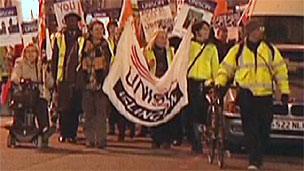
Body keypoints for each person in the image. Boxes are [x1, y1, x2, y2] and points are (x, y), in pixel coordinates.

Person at [215, 19, 290, 170]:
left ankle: (258, 156)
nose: (260, 32)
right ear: (249, 32)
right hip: (246, 94)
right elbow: (226, 68)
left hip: (265, 96)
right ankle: (253, 160)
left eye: (261, 29)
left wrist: (284, 91)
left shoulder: (270, 50)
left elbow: (280, 71)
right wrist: (219, 82)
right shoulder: (238, 50)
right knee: (250, 128)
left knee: (264, 128)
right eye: (256, 29)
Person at [186, 20, 219, 154]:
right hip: (191, 82)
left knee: (202, 112)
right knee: (191, 113)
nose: (207, 32)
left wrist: (215, 82)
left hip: (205, 83)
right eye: (204, 29)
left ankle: (203, 134)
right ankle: (195, 140)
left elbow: (215, 67)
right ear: (197, 31)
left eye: (208, 29)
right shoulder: (189, 46)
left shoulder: (211, 48)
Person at [78, 20, 111, 149]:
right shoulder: (84, 45)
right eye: (96, 29)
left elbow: (108, 63)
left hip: (100, 83)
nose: (99, 32)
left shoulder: (105, 46)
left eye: (101, 30)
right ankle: (90, 139)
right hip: (87, 83)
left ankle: (101, 140)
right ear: (91, 31)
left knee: (101, 113)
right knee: (89, 113)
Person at [51, 12, 83, 143]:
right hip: (62, 78)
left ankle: (72, 134)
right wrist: (54, 77)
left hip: (77, 77)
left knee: (75, 108)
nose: (72, 23)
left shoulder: (82, 38)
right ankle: (64, 133)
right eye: (69, 20)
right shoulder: (59, 38)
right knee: (63, 108)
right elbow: (55, 59)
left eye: (74, 20)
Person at [10, 43, 54, 136]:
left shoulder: (40, 65)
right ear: (24, 53)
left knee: (42, 104)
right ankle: (19, 129)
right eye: (28, 52)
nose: (30, 54)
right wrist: (20, 80)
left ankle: (45, 128)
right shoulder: (19, 62)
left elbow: (49, 83)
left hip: (36, 95)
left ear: (37, 53)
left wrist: (47, 71)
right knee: (19, 106)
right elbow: (14, 76)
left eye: (33, 52)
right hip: (23, 93)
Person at [144, 30, 174, 149]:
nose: (163, 40)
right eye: (160, 37)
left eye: (164, 37)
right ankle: (155, 138)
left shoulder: (170, 51)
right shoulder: (148, 51)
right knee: (155, 113)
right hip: (153, 84)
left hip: (166, 85)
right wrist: (148, 65)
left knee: (166, 112)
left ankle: (166, 139)